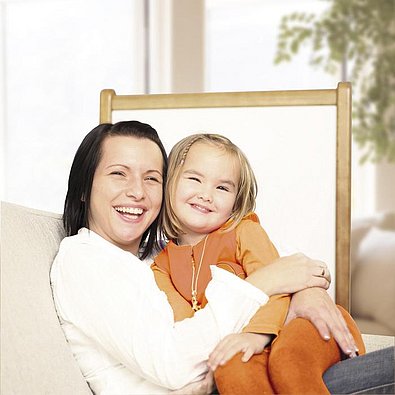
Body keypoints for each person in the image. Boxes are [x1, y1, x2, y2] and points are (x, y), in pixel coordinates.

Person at [50, 120, 394, 395]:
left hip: (269, 360)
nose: (137, 191)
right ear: (83, 188)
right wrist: (266, 283)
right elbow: (172, 364)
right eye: (118, 173)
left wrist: (304, 291)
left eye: (152, 178)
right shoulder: (83, 260)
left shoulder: (154, 256)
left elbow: (294, 266)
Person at [151, 133, 365, 394]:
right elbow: (186, 327)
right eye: (195, 179)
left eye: (222, 188)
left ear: (236, 201)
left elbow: (278, 287)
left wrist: (257, 335)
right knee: (231, 368)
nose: (206, 195)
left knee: (288, 363)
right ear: (169, 182)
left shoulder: (244, 232)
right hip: (251, 347)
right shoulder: (161, 266)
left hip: (305, 324)